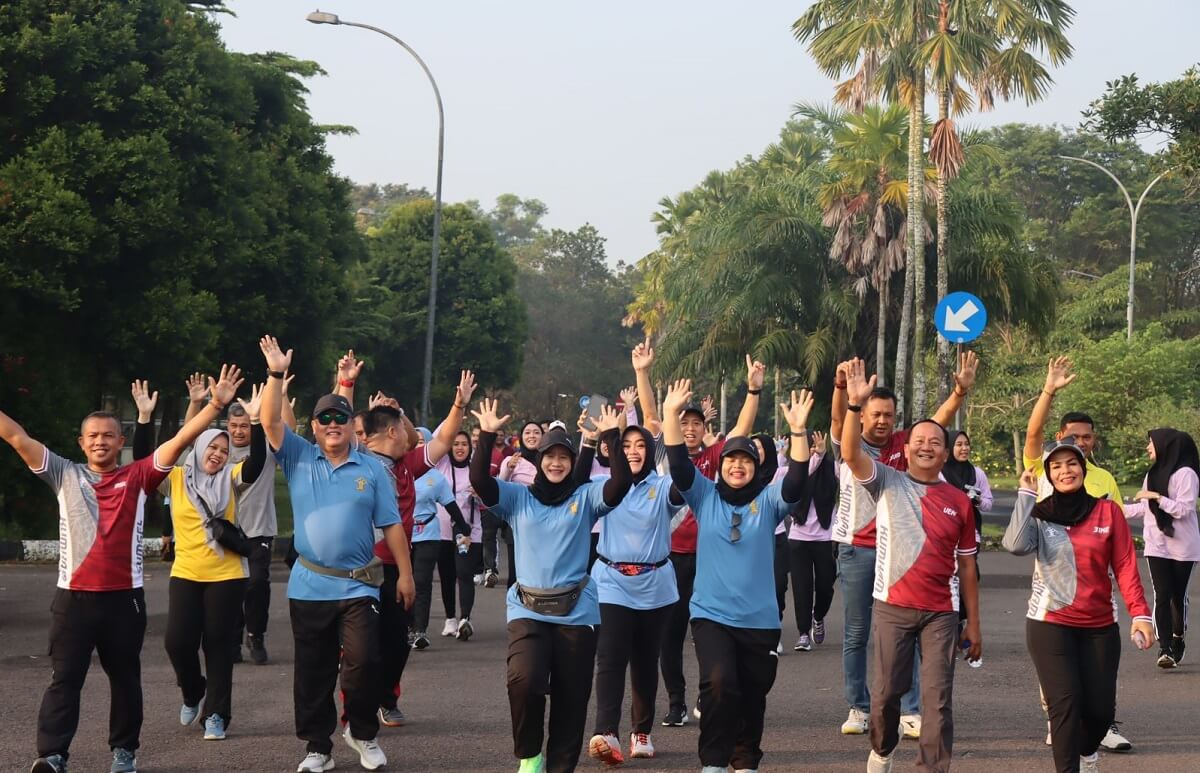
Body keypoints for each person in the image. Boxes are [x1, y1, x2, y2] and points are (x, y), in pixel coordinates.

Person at [3, 367, 245, 773]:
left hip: (124, 601)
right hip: (73, 600)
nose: (100, 441)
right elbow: (15, 436)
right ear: (82, 443)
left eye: (108, 435)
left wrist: (216, 405)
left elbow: (183, 439)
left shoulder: (139, 476)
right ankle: (53, 755)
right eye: (92, 436)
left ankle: (124, 752)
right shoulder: (63, 473)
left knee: (126, 681)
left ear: (121, 441)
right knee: (64, 681)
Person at [257, 336, 415, 773]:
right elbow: (270, 421)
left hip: (359, 583)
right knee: (313, 671)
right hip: (310, 584)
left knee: (365, 661)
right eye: (324, 419)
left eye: (340, 419)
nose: (332, 425)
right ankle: (317, 748)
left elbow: (392, 525)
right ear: (314, 426)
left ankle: (361, 732)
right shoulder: (299, 457)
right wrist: (274, 376)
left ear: (352, 427)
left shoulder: (371, 469)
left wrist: (405, 574)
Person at [469, 397, 632, 773]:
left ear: (572, 461)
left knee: (571, 698)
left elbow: (620, 482)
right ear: (538, 459)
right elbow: (479, 480)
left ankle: (560, 766)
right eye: (549, 456)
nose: (556, 463)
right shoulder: (518, 498)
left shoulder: (585, 496)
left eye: (563, 457)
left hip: (577, 610)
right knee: (523, 681)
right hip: (527, 607)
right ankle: (530, 754)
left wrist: (610, 434)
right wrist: (487, 435)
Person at [661, 378, 814, 773]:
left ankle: (745, 760)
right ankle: (713, 761)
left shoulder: (768, 501)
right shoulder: (704, 495)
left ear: (756, 467)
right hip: (712, 615)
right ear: (721, 465)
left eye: (746, 460)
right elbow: (678, 464)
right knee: (718, 682)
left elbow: (796, 480)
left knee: (751, 693)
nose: (737, 465)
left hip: (760, 621)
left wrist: (798, 431)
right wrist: (670, 414)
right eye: (731, 459)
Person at [839, 358, 981, 773]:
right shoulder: (887, 480)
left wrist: (973, 622)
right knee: (885, 695)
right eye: (918, 440)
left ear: (946, 450)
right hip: (892, 606)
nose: (926, 446)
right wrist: (853, 405)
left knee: (937, 700)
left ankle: (932, 767)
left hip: (941, 613)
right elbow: (850, 452)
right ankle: (882, 751)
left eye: (935, 442)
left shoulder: (958, 501)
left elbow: (968, 568)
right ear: (905, 448)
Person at [632, 340, 765, 727]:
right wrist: (643, 371)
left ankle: (710, 692)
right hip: (667, 556)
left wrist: (753, 390)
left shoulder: (715, 458)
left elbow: (743, 428)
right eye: (684, 422)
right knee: (669, 635)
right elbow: (653, 414)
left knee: (707, 630)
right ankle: (675, 700)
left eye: (696, 423)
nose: (688, 428)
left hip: (709, 557)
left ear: (704, 429)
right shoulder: (662, 454)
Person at [1004, 438, 1156, 773]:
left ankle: (1088, 755)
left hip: (1099, 625)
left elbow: (1126, 565)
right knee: (1065, 705)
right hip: (1049, 623)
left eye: (1071, 463)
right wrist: (1026, 496)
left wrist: (1140, 615)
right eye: (1055, 466)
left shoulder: (1107, 511)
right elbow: (1014, 545)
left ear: (1083, 468)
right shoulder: (1040, 514)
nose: (1064, 470)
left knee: (1101, 712)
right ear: (1048, 474)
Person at [1022, 356, 1132, 752]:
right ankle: (1061, 719)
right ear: (1061, 437)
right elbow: (1033, 434)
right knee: (1063, 690)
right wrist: (1049, 389)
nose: (1080, 445)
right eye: (1074, 437)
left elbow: (1118, 548)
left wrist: (1138, 610)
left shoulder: (1103, 481)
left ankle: (1097, 725)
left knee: (1097, 685)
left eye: (1086, 438)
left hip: (1096, 603)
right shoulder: (1048, 466)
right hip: (1052, 601)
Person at [162, 382, 269, 743]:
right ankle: (193, 691)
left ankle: (217, 714)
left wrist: (254, 422)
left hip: (226, 574)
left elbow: (256, 463)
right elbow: (153, 453)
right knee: (178, 642)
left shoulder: (232, 477)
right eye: (214, 447)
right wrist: (146, 416)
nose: (219, 454)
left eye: (225, 450)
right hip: (186, 572)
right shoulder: (176, 478)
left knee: (220, 646)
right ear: (200, 448)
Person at [585, 419, 684, 766]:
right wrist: (591, 438)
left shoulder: (664, 487)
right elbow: (577, 484)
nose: (632, 452)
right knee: (610, 657)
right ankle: (606, 732)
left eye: (640, 446)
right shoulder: (605, 486)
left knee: (645, 661)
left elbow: (682, 485)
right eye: (625, 446)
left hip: (655, 586)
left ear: (651, 450)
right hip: (612, 582)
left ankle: (641, 731)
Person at [184, 372, 298, 666]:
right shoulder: (219, 451)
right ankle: (232, 642)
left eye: (243, 426)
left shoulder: (265, 448)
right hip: (227, 533)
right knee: (231, 588)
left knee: (257, 584)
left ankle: (256, 635)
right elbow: (190, 435)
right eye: (233, 426)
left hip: (259, 530)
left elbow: (289, 430)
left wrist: (282, 394)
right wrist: (197, 403)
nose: (237, 431)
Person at [1124, 428, 1200, 668]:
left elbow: (1184, 509)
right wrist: (1116, 510)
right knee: (1162, 593)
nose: (1148, 448)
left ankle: (1178, 637)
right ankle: (1164, 648)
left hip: (1183, 547)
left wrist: (1157, 497)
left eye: (1151, 443)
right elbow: (1145, 508)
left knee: (1178, 597)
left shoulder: (1186, 474)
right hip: (1156, 545)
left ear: (1166, 445)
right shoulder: (1153, 473)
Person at [408, 440, 470, 650]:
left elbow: (450, 504)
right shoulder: (398, 472)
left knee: (422, 581)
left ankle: (419, 632)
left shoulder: (436, 477)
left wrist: (463, 526)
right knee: (403, 582)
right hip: (402, 535)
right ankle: (405, 627)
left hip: (428, 534)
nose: (418, 448)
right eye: (414, 443)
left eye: (422, 443)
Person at [787, 431, 838, 652]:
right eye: (805, 448)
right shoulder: (795, 472)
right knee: (801, 587)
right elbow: (801, 478)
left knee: (826, 585)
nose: (810, 451)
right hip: (798, 538)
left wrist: (823, 455)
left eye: (813, 447)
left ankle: (818, 616)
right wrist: (814, 458)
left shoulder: (832, 468)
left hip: (825, 537)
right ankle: (803, 633)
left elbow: (850, 473)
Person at [436, 430, 484, 640]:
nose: (460, 448)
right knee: (446, 576)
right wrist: (457, 409)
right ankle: (450, 619)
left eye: (464, 444)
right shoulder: (442, 466)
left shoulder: (477, 470)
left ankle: (465, 618)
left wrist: (481, 495)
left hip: (467, 532)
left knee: (464, 573)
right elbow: (438, 436)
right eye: (455, 444)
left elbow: (491, 501)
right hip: (443, 532)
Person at [491, 421, 542, 588]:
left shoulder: (549, 460)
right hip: (517, 522)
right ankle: (515, 608)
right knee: (516, 572)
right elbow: (500, 487)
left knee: (538, 570)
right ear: (521, 438)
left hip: (543, 521)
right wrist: (508, 469)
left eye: (536, 432)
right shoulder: (511, 460)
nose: (532, 436)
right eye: (527, 433)